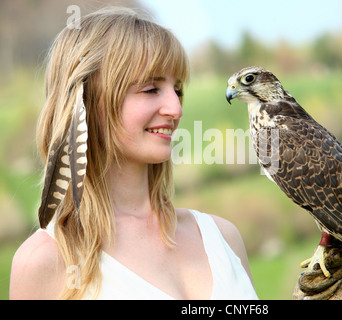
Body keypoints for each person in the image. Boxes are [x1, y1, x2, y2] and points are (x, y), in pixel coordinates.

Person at [9, 7, 258, 300]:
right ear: (88, 103)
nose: (175, 109)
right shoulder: (45, 262)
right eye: (151, 89)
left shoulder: (222, 237)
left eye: (177, 90)